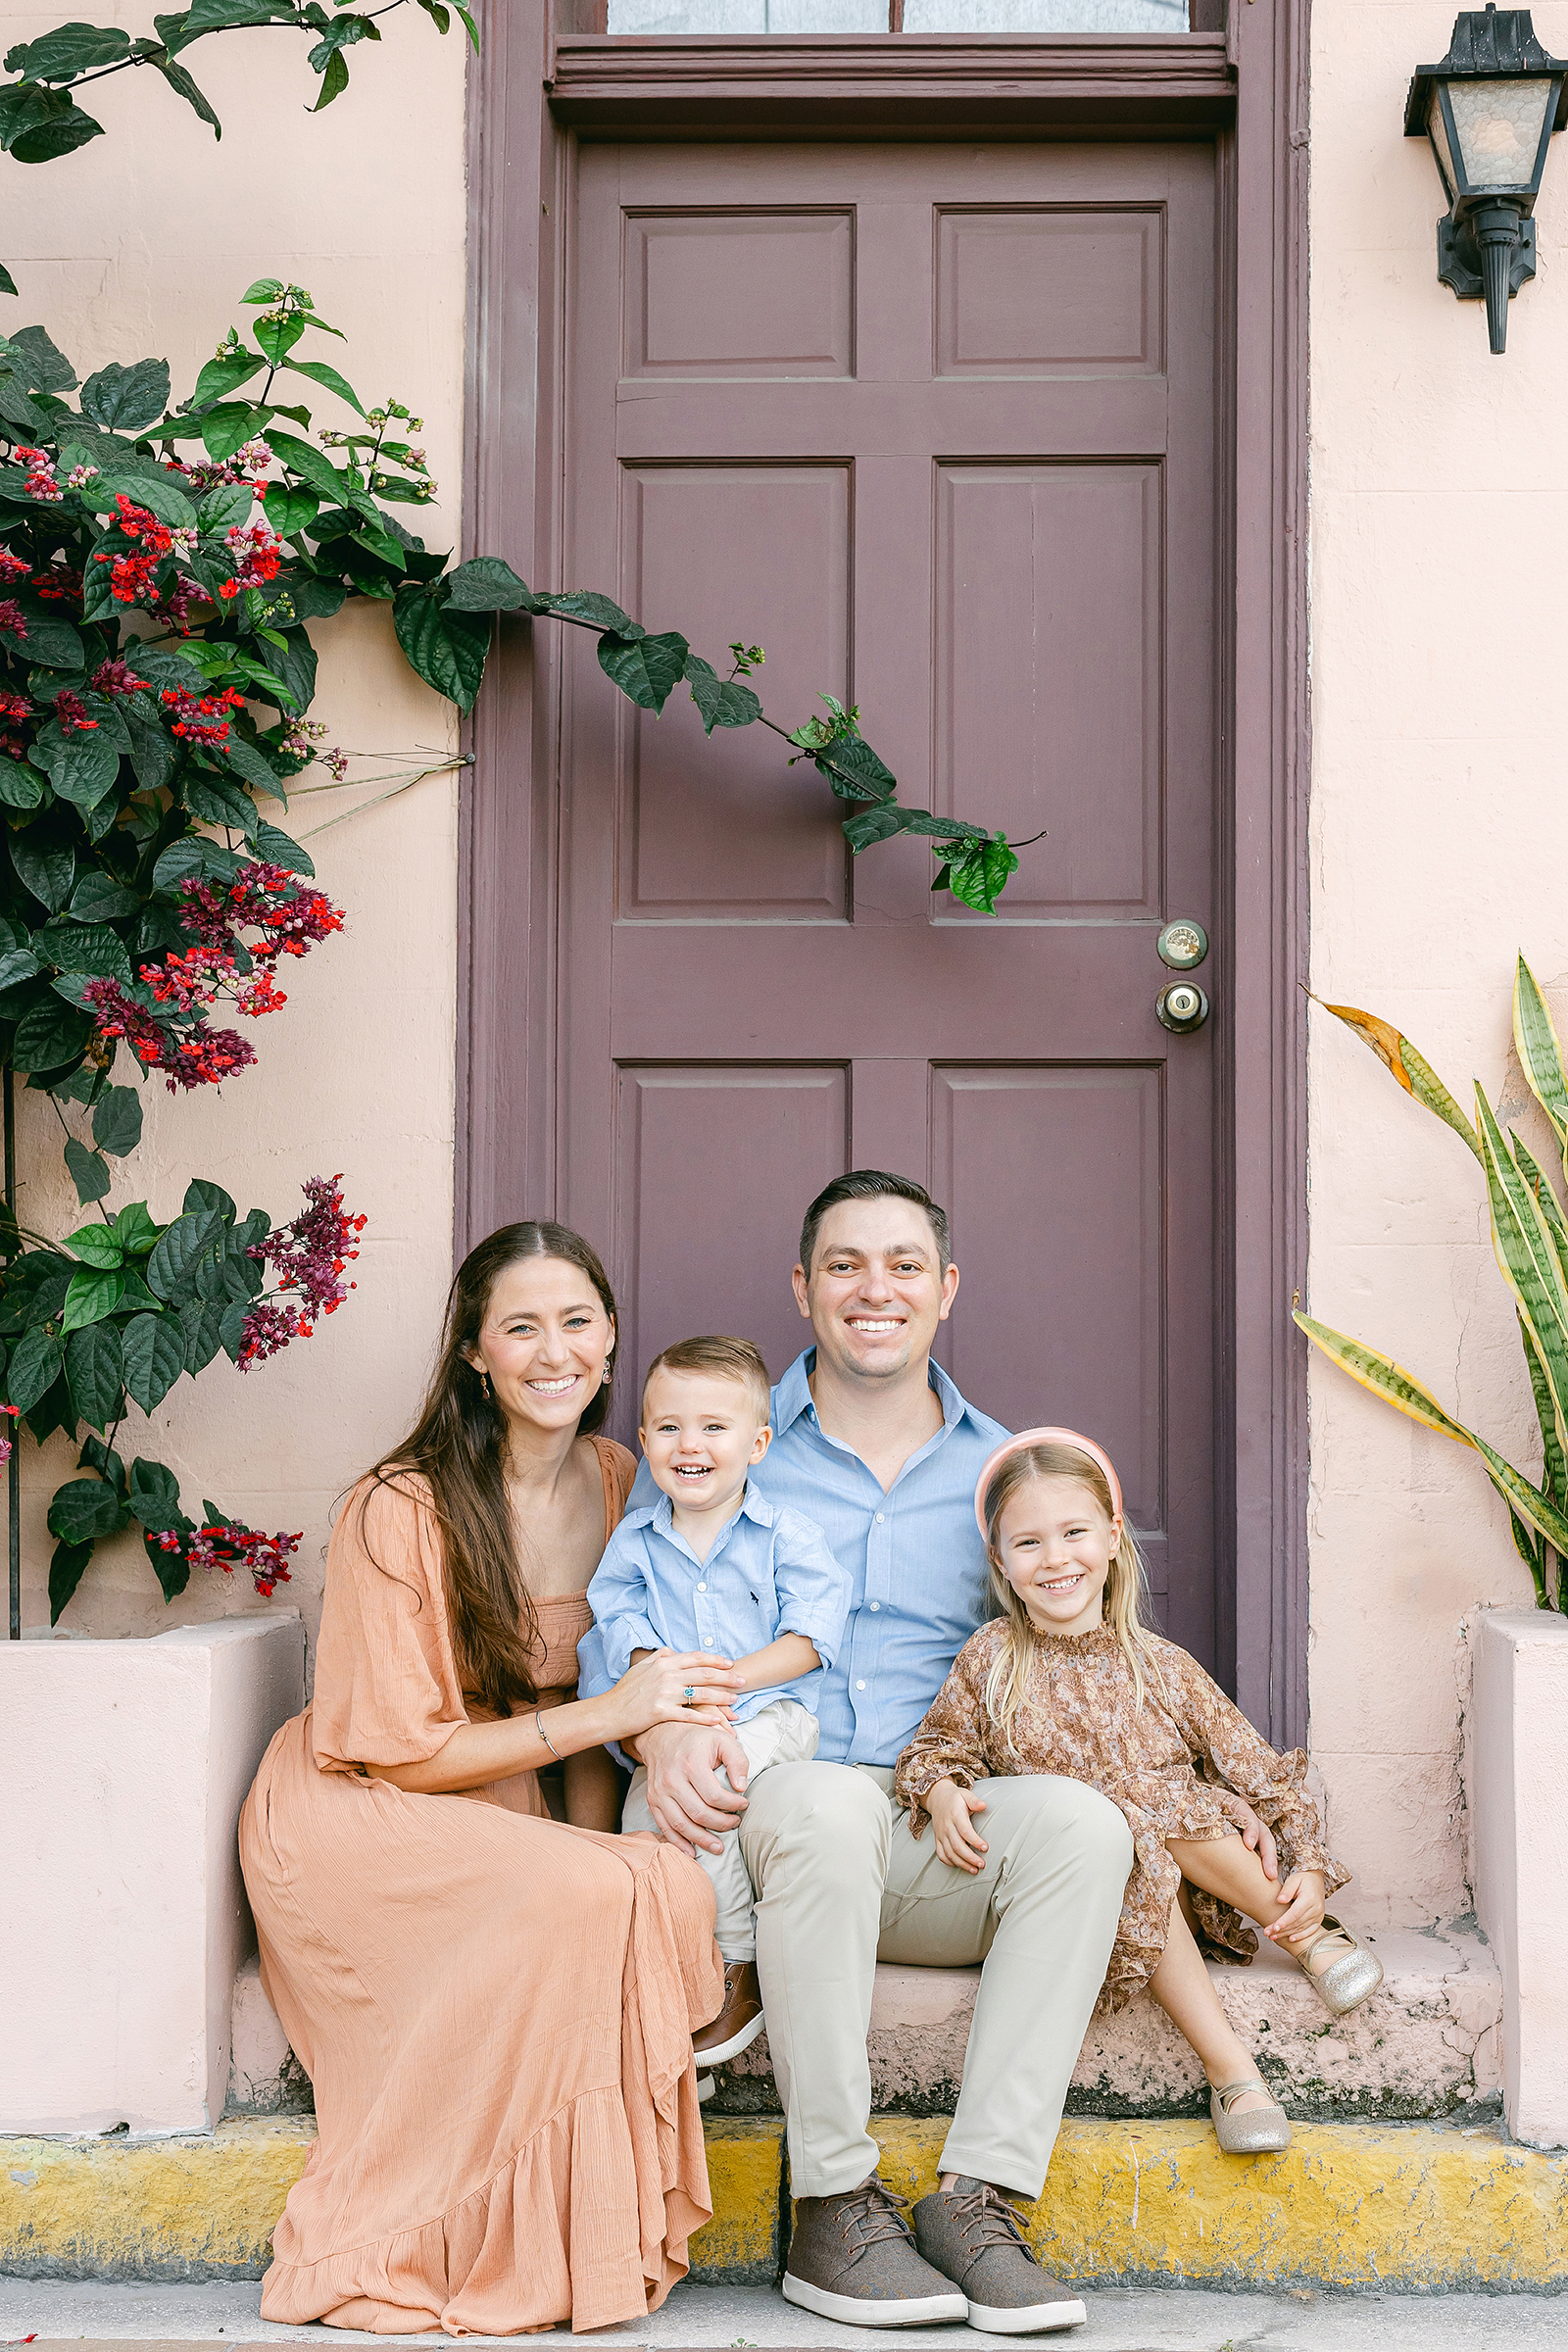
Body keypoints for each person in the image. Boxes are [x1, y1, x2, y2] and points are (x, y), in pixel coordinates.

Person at [586, 1170, 1277, 2334]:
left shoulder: (1005, 1473)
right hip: (764, 1819)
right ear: (801, 1288)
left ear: (945, 1290)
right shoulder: (720, 1443)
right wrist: (654, 1729)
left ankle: (978, 2197)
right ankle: (833, 2204)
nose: (875, 1290)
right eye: (845, 1265)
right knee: (820, 1805)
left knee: (1082, 1826)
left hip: (925, 1834)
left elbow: (1091, 1652)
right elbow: (628, 1620)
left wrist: (1207, 1791)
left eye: (905, 1264)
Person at [238, 1222, 741, 2336]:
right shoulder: (400, 1505)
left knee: (641, 1880)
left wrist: (619, 1780)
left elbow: (602, 1700)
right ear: (474, 1351)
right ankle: (434, 2235)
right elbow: (401, 1748)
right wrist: (608, 1721)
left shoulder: (624, 1478)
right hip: (365, 1803)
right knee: (589, 1893)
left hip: (512, 1792)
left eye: (576, 1322)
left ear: (611, 1342)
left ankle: (573, 2240)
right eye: (520, 1327)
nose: (551, 1351)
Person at [896, 1430, 1384, 2158]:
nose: (1056, 1559)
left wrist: (1307, 1862)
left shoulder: (1161, 1665)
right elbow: (935, 1747)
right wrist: (938, 1793)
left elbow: (1258, 1769)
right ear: (1000, 1561)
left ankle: (1306, 1931)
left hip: (1191, 1876)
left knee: (1147, 1806)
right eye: (1028, 1544)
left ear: (1113, 1537)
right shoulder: (992, 1658)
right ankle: (1232, 2068)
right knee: (1116, 1824)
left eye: (1073, 1533)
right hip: (1085, 1898)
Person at [587, 1333, 851, 2066]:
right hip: (673, 1724)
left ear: (757, 1443)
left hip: (771, 1716)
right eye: (669, 1428)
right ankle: (669, 1978)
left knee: (715, 1784)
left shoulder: (786, 1536)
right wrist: (666, 1691)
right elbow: (619, 1631)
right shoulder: (634, 1544)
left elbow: (812, 1635)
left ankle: (738, 1962)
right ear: (644, 1439)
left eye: (714, 1428)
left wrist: (726, 1683)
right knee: (645, 1820)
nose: (689, 1444)